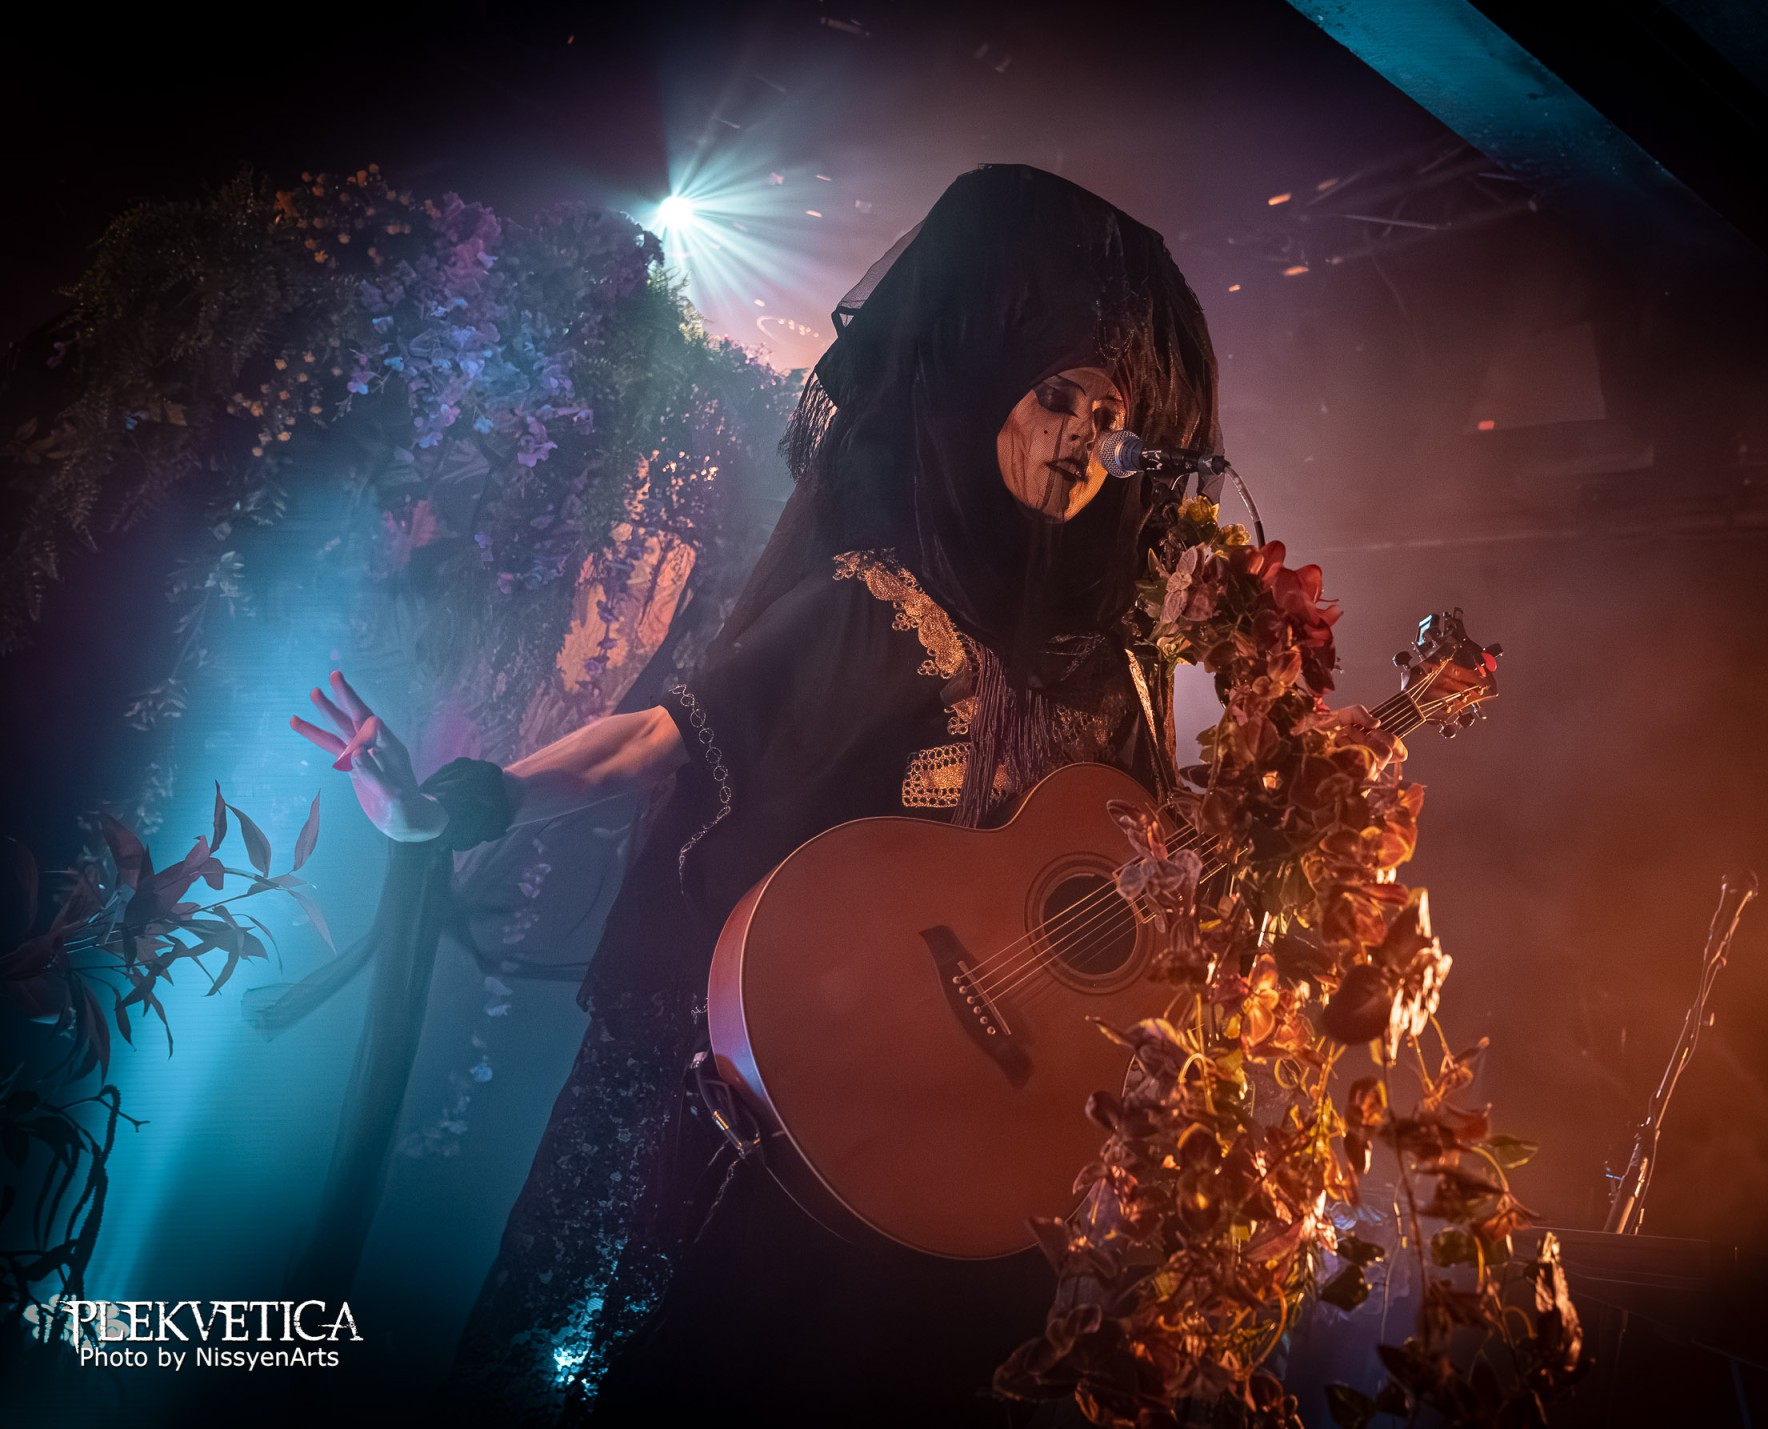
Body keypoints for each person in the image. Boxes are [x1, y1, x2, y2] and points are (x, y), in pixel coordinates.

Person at [289, 164, 1220, 1425]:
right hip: (741, 1108)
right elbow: (651, 741)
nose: (1078, 440)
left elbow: (1148, 917)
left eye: (1107, 417)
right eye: (1055, 394)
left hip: (934, 1176)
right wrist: (448, 808)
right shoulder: (872, 605)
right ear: (978, 386)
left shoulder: (1115, 682)